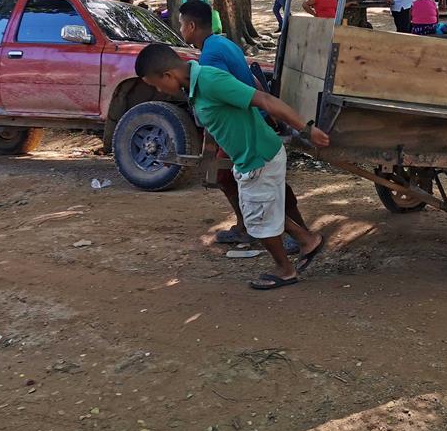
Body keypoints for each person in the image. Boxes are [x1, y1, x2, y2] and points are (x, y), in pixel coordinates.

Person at [135, 43, 327, 290]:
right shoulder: (193, 87)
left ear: (168, 75)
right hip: (247, 157)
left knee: (257, 222)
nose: (159, 91)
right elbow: (216, 121)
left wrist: (307, 129)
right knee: (259, 211)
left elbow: (265, 99)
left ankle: (285, 270)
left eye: (156, 84)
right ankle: (307, 240)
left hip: (259, 156)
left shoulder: (210, 80)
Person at [179, 0, 311, 252]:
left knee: (231, 178)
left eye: (181, 24)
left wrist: (214, 137)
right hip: (253, 117)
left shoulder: (210, 56)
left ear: (192, 26)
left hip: (242, 125)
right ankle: (253, 226)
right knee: (251, 180)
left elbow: (223, 95)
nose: (181, 29)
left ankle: (262, 229)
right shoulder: (223, 42)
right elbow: (251, 80)